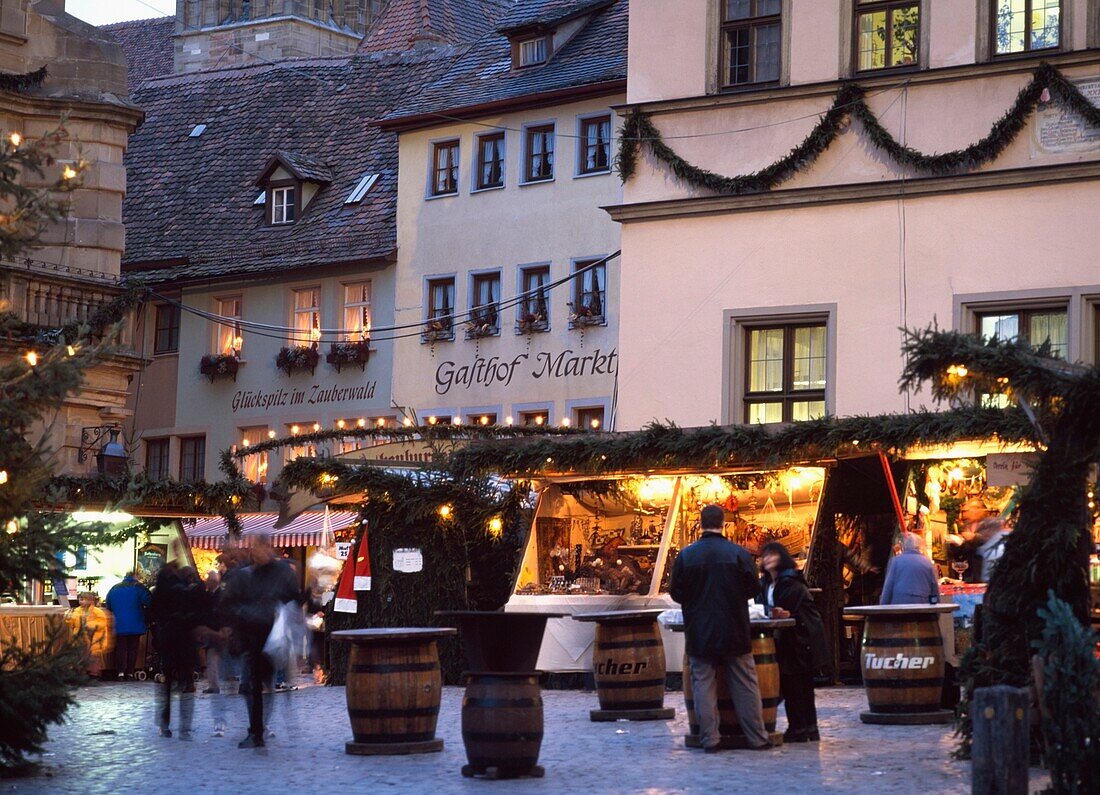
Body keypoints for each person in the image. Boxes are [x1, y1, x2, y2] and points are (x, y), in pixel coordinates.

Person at [669, 504, 771, 752]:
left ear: (701, 524)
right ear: (723, 523)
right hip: (734, 627)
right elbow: (754, 589)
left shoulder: (686, 556)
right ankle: (757, 738)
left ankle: (710, 739)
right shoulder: (738, 553)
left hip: (699, 631)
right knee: (745, 684)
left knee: (703, 685)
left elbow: (676, 593)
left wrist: (695, 602)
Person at [222, 535, 299, 749]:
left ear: (269, 547)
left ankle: (259, 729)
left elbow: (293, 596)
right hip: (251, 636)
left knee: (265, 684)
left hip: (271, 637)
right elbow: (230, 602)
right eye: (255, 547)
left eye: (261, 546)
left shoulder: (281, 571)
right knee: (251, 684)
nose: (258, 551)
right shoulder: (246, 574)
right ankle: (256, 730)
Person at [758, 542, 828, 743]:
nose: (768, 559)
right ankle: (805, 728)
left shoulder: (790, 583)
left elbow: (793, 610)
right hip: (787, 639)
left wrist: (783, 613)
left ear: (781, 557)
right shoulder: (767, 584)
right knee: (795, 686)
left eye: (773, 555)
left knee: (798, 686)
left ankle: (801, 728)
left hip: (798, 640)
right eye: (766, 556)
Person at [149, 563, 204, 739]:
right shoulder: (189, 593)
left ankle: (165, 725)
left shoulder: (164, 592)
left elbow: (153, 612)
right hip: (184, 643)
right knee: (186, 686)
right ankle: (184, 727)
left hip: (171, 642)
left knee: (168, 687)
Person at [104, 570, 151, 680]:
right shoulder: (139, 587)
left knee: (120, 648)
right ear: (136, 576)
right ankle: (130, 673)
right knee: (133, 649)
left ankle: (120, 673)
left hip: (119, 623)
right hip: (136, 623)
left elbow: (108, 605)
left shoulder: (114, 588)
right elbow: (149, 602)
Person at [880, 533, 940, 605]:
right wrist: (935, 612)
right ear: (919, 547)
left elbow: (888, 588)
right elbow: (934, 591)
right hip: (922, 609)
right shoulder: (928, 563)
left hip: (899, 608)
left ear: (904, 546)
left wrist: (883, 607)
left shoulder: (895, 562)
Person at [67, 592, 114, 680]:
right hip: (80, 640)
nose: (80, 601)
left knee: (94, 659)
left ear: (90, 601)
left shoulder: (97, 612)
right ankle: (82, 674)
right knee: (81, 657)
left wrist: (87, 625)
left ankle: (94, 675)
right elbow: (72, 623)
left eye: (83, 599)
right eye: (80, 599)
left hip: (95, 641)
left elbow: (101, 624)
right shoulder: (77, 611)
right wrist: (68, 618)